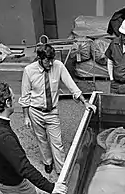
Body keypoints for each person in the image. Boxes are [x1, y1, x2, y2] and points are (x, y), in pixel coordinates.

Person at [19, 43, 96, 175]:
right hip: (35, 111)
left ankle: (62, 172)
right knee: (41, 139)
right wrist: (26, 116)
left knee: (57, 142)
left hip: (52, 111)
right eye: (47, 61)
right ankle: (47, 162)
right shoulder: (29, 70)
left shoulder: (58, 66)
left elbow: (71, 85)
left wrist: (85, 102)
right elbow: (25, 95)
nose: (50, 64)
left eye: (51, 60)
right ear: (39, 59)